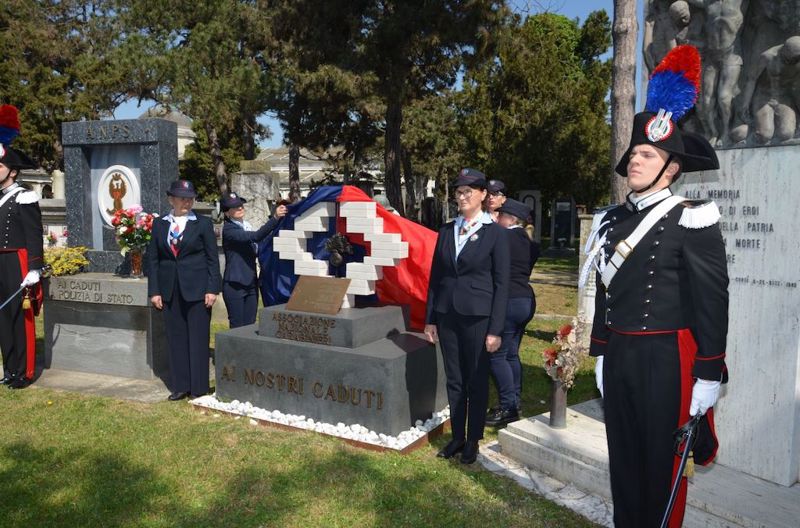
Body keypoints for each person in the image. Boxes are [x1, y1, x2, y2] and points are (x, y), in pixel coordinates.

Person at [584, 46, 728, 527]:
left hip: (667, 357)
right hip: (621, 354)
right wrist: (601, 352)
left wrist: (709, 373)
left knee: (663, 466)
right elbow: (607, 292)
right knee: (622, 458)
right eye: (634, 154)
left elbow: (712, 300)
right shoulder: (613, 221)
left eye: (648, 155)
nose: (635, 162)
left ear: (671, 169)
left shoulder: (692, 218)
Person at [424, 168, 509, 464]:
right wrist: (431, 317)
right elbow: (436, 276)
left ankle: (473, 439)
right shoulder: (447, 230)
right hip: (448, 315)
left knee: (475, 379)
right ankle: (457, 436)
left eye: (467, 192)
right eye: (458, 192)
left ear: (483, 195)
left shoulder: (495, 233)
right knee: (455, 379)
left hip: (478, 318)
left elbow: (502, 284)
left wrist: (496, 329)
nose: (461, 197)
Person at [147, 180, 221, 401]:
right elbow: (153, 260)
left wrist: (212, 288)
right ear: (171, 199)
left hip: (197, 290)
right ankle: (180, 386)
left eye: (190, 198)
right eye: (182, 198)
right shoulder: (160, 224)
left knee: (198, 338)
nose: (186, 202)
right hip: (170, 290)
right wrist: (155, 291)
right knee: (176, 338)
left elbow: (212, 259)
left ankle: (198, 387)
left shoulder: (203, 224)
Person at [485, 198, 540, 427]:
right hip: (526, 299)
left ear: (510, 219)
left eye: (500, 215)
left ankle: (508, 407)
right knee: (511, 354)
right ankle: (515, 401)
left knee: (497, 355)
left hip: (507, 301)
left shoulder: (502, 237)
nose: (496, 219)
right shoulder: (530, 243)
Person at [0, 104, 43, 389]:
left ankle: (24, 372)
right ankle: (9, 369)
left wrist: (34, 268)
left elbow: (34, 234)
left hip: (18, 262)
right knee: (3, 318)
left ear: (12, 171)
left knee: (19, 316)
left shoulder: (24, 197)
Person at [221, 192, 287, 328]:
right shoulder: (229, 230)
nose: (240, 208)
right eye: (235, 207)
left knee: (250, 325)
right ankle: (235, 350)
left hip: (250, 282)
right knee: (237, 326)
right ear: (227, 213)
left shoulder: (246, 225)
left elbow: (260, 243)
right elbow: (256, 236)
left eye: (240, 205)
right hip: (235, 284)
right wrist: (274, 218)